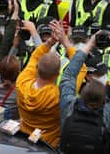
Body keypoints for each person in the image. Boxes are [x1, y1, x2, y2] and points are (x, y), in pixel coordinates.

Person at [59, 29, 110, 153]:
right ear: (104, 99)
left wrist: (90, 44)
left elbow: (68, 76)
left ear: (82, 95)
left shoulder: (69, 106)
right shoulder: (107, 116)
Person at [17, 20, 75, 148]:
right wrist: (65, 41)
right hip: (49, 146)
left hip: (24, 140)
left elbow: (35, 56)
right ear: (58, 74)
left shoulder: (22, 82)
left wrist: (50, 42)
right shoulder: (60, 95)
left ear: (37, 68)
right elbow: (80, 67)